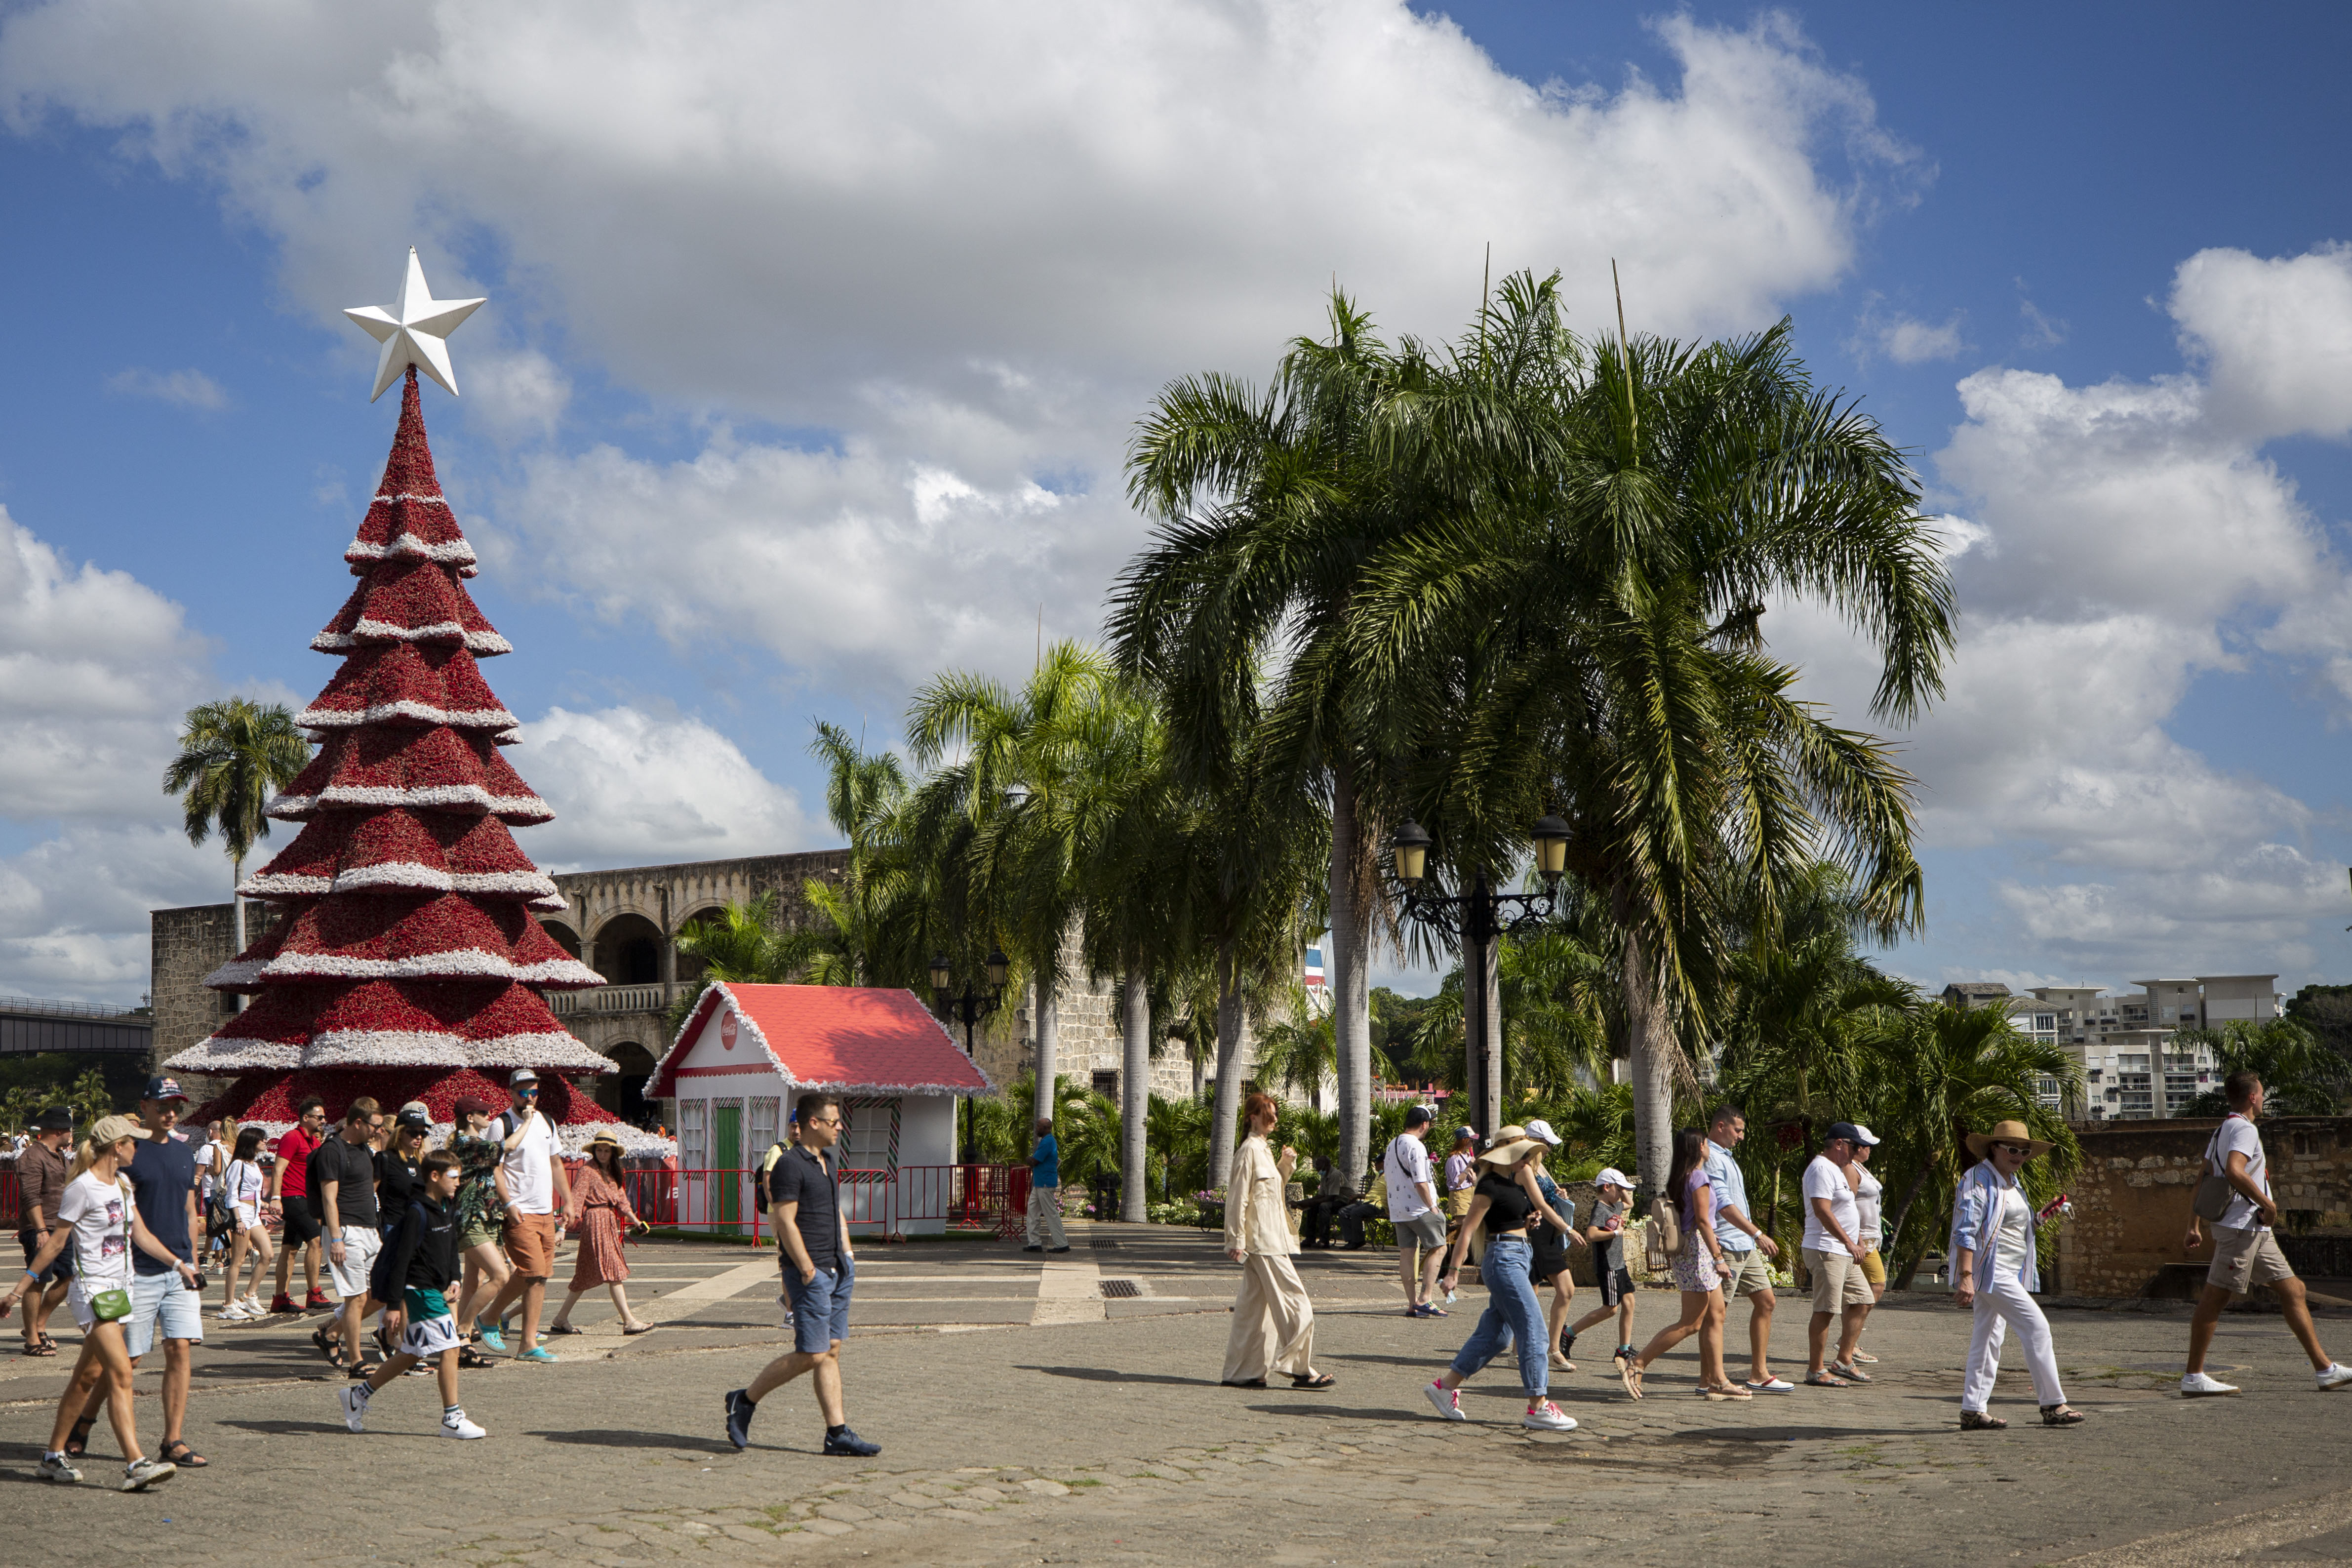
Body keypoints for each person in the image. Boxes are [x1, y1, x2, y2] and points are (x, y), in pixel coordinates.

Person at [2, 1114, 198, 1489]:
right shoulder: (83, 1187)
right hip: (92, 1292)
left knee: (86, 1376)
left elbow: (140, 1234)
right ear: (116, 1147)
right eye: (133, 1142)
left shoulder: (123, 1183)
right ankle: (136, 1463)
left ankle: (52, 1455)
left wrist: (179, 1265)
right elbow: (57, 1243)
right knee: (122, 1372)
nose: (138, 1148)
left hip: (121, 1291)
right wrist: (18, 1290)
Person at [724, 1091, 880, 1456]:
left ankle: (837, 1433)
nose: (839, 1127)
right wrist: (807, 1269)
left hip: (837, 1267)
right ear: (814, 1123)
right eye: (833, 1121)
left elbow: (833, 1211)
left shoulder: (826, 1161)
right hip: (808, 1271)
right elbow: (784, 1220)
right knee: (812, 1352)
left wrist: (848, 1254)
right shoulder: (789, 1165)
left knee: (831, 1350)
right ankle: (744, 1400)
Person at [2180, 1072, 2352, 1396]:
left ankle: (2325, 1369)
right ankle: (2193, 1376)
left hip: (2252, 1230)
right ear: (2252, 1097)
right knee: (2213, 1300)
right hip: (2240, 1229)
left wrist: (2193, 1224)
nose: (2263, 1097)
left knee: (2294, 1290)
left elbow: (2202, 1178)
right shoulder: (2243, 1129)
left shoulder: (2221, 1130)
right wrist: (2268, 1203)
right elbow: (2234, 1170)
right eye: (2261, 1093)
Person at [78, 1078, 209, 1471]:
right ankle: (85, 1418)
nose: (171, 1112)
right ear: (145, 1105)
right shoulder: (131, 1152)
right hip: (139, 1269)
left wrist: (194, 1263)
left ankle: (173, 1439)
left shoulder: (186, 1153)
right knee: (128, 1361)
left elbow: (189, 1211)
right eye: (164, 1105)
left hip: (180, 1268)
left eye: (177, 1106)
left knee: (180, 1348)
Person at [1422, 1128, 1578, 1431]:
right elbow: (1468, 1230)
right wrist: (1453, 1273)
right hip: (1504, 1259)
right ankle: (1539, 1407)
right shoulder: (1490, 1184)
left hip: (1519, 1255)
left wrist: (1528, 1223)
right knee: (1534, 1329)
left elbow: (1513, 1220)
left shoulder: (1515, 1180)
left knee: (1498, 1335)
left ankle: (1445, 1386)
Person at [337, 1151, 486, 1439]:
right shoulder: (417, 1212)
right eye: (453, 1177)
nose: (458, 1182)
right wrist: (394, 1306)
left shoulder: (447, 1206)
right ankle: (452, 1418)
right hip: (419, 1290)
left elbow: (451, 1246)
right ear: (434, 1177)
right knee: (451, 1347)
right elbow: (401, 1261)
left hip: (435, 1288)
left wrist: (454, 1277)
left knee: (411, 1353)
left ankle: (358, 1395)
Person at [1952, 1119, 2083, 1429]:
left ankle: (1972, 1409)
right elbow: (1965, 1230)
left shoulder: (2011, 1182)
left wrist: (2040, 1218)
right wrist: (1967, 1275)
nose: (2019, 1156)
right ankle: (2053, 1404)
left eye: (2025, 1152)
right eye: (2012, 1149)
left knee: (1988, 1339)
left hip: (2008, 1268)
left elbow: (2010, 1228)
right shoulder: (1978, 1179)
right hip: (1991, 1270)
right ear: (1994, 1149)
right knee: (2036, 1327)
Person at [1622, 1127, 1747, 1401]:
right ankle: (1638, 1363)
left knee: (1716, 1316)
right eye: (1706, 1143)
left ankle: (1718, 1380)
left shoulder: (1681, 1177)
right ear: (1700, 1147)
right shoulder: (1699, 1177)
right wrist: (1718, 1259)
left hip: (1690, 1251)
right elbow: (1703, 1221)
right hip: (1699, 1252)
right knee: (1691, 1323)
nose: (1710, 1147)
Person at [1219, 1093, 1332, 1390]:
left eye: (1275, 1116)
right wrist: (1235, 1239)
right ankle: (1301, 1370)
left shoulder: (1264, 1150)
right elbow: (1238, 1197)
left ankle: (1244, 1372)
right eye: (1269, 1116)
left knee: (1255, 1310)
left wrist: (1286, 1165)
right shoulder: (1249, 1151)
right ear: (1252, 1117)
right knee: (1297, 1303)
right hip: (1262, 1241)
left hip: (1269, 1238)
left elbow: (1271, 1192)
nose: (1275, 1121)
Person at [475, 1070, 572, 1364]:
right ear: (512, 1093)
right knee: (533, 1275)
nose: (529, 1098)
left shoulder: (547, 1122)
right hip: (519, 1210)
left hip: (545, 1211)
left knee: (538, 1276)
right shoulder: (501, 1124)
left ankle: (491, 1317)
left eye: (534, 1092)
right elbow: (494, 1168)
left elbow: (555, 1163)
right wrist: (507, 1204)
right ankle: (527, 1343)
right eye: (523, 1093)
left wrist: (567, 1201)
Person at [1703, 1104, 1793, 1393]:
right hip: (1727, 1245)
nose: (1741, 1137)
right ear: (1721, 1127)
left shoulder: (1726, 1157)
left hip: (1743, 1244)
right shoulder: (1711, 1157)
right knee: (1715, 1314)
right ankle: (1710, 1380)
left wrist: (1752, 1237)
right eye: (1738, 1130)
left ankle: (1759, 1373)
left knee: (1766, 1301)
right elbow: (1724, 1206)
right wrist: (1758, 1234)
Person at [550, 1131, 653, 1335]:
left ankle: (560, 1319)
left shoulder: (613, 1172)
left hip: (607, 1221)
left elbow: (622, 1201)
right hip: (595, 1222)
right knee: (614, 1271)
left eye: (607, 1151)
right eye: (600, 1150)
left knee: (584, 1276)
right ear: (594, 1151)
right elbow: (576, 1200)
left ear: (613, 1153)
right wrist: (562, 1228)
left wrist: (636, 1221)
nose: (603, 1154)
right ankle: (629, 1321)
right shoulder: (587, 1171)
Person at [447, 1095, 521, 1370]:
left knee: (472, 1280)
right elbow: (509, 1145)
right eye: (482, 1113)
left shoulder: (471, 1142)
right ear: (470, 1118)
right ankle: (464, 1330)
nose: (488, 1118)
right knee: (501, 1275)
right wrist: (527, 1121)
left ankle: (462, 1345)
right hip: (471, 1218)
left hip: (485, 1218)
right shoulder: (465, 1143)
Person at [317, 1098, 386, 1375]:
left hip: (370, 1229)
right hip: (346, 1230)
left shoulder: (364, 1150)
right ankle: (357, 1360)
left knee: (382, 1292)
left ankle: (331, 1334)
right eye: (375, 1127)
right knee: (356, 1298)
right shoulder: (333, 1150)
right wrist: (336, 1239)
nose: (379, 1132)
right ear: (358, 1122)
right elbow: (328, 1198)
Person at [1800, 1123, 1872, 1388]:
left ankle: (1843, 1359)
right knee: (1826, 1310)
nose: (1856, 1153)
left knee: (1863, 1300)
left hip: (1844, 1249)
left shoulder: (1839, 1170)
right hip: (1826, 1249)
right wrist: (1848, 1242)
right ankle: (1816, 1370)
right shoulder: (1821, 1168)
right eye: (1854, 1147)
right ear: (1839, 1144)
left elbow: (1847, 1210)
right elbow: (1822, 1210)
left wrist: (1858, 1241)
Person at [1518, 1122, 1582, 1372]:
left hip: (1547, 1236)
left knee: (1566, 1290)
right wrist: (1568, 1229)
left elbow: (1548, 1200)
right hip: (1533, 1234)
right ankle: (1522, 1350)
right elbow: (1540, 1206)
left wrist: (1560, 1196)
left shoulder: (1540, 1167)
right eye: (1545, 1145)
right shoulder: (1524, 1169)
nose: (1549, 1150)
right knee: (1530, 1297)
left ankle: (1553, 1348)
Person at [13, 1106, 75, 1357]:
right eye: (70, 1130)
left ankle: (38, 1324)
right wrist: (40, 1230)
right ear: (59, 1130)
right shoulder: (32, 1157)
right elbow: (30, 1196)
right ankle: (32, 1338)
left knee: (70, 1276)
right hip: (40, 1227)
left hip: (61, 1227)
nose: (71, 1135)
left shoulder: (59, 1155)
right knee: (37, 1281)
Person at [1561, 1169, 1637, 1368]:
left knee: (1629, 1302)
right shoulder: (1601, 1209)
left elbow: (1630, 1204)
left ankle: (1624, 1348)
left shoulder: (1615, 1205)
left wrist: (1623, 1186)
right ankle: (1568, 1333)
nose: (1621, 1193)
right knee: (1610, 1310)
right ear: (1606, 1187)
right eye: (1618, 1189)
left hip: (1619, 1264)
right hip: (1608, 1265)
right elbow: (1591, 1235)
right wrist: (1616, 1234)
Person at [1382, 1105, 1450, 1317]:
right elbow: (1421, 1182)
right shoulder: (1417, 1147)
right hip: (1419, 1207)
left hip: (1399, 1208)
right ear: (1425, 1124)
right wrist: (1433, 1206)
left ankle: (1412, 1304)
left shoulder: (1393, 1144)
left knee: (1407, 1254)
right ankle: (1426, 1298)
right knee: (1440, 1248)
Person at [267, 1097, 330, 1313]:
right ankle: (314, 1293)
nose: (323, 1120)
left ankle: (280, 1298)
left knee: (290, 1249)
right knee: (316, 1241)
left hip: (306, 1198)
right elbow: (278, 1169)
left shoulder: (314, 1141)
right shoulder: (292, 1138)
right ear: (306, 1118)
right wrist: (276, 1197)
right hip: (292, 1197)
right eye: (319, 1117)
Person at [217, 1125, 273, 1321]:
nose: (265, 1142)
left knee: (267, 1254)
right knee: (238, 1261)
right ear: (251, 1142)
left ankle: (249, 1296)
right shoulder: (238, 1165)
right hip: (241, 1213)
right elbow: (232, 1193)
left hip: (254, 1213)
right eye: (261, 1139)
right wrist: (238, 1218)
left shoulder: (253, 1165)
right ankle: (228, 1304)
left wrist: (265, 1205)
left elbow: (254, 1192)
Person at [1845, 1126, 1887, 1366]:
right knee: (1875, 1286)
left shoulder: (1861, 1168)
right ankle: (1848, 1342)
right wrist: (1857, 1238)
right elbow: (1847, 1205)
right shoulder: (1851, 1169)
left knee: (1864, 1292)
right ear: (1857, 1147)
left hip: (1871, 1237)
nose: (1871, 1149)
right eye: (1867, 1145)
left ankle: (1850, 1342)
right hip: (1862, 1240)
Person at [1023, 1117, 1069, 1253]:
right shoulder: (1047, 1141)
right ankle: (1034, 1243)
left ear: (1047, 1129)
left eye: (1040, 1127)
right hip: (1040, 1182)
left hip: (1045, 1183)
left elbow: (1035, 1161)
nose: (1037, 1129)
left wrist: (1028, 1159)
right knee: (1032, 1211)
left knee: (1050, 1213)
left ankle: (1061, 1244)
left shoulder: (1048, 1142)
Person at [1442, 1126, 1480, 1280]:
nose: (1472, 1143)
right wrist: (1469, 1167)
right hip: (1460, 1196)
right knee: (1462, 1230)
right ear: (1464, 1140)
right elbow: (1456, 1182)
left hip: (1470, 1194)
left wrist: (1474, 1178)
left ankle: (1459, 1264)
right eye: (1470, 1140)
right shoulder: (1454, 1159)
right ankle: (1452, 1265)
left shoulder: (1465, 1157)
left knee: (1469, 1230)